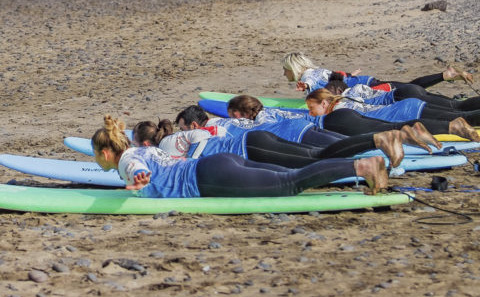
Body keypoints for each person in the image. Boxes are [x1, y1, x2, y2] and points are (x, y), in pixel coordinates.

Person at [92, 115, 388, 197]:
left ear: (106, 153)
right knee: (290, 174)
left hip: (208, 178)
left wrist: (137, 180)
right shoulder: (143, 148)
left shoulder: (128, 161)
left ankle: (362, 166)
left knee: (288, 183)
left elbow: (135, 169)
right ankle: (361, 165)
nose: (97, 161)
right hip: (219, 162)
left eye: (96, 156)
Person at [161, 106, 408, 168]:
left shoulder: (209, 130)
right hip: (290, 126)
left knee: (331, 152)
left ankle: (382, 144)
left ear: (193, 125)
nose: (184, 133)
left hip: (287, 134)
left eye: (183, 128)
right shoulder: (225, 121)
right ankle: (386, 144)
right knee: (338, 147)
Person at [226, 93, 440, 151]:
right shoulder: (273, 110)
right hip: (331, 119)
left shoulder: (261, 120)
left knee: (356, 143)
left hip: (327, 124)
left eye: (231, 114)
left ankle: (409, 133)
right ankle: (411, 134)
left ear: (239, 113)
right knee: (370, 136)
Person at [281, 52, 477, 109]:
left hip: (369, 89)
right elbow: (337, 76)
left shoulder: (308, 78)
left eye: (285, 70)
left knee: (409, 91)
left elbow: (320, 90)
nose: (284, 74)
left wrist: (306, 87)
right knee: (410, 87)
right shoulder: (317, 70)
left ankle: (456, 104)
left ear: (294, 68)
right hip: (367, 81)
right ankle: (446, 76)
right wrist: (351, 74)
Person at [306, 85, 480, 142]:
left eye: (312, 109)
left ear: (323, 103)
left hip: (402, 114)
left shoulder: (338, 112)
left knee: (464, 118)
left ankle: (455, 127)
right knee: (460, 108)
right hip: (407, 105)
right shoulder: (347, 96)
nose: (311, 113)